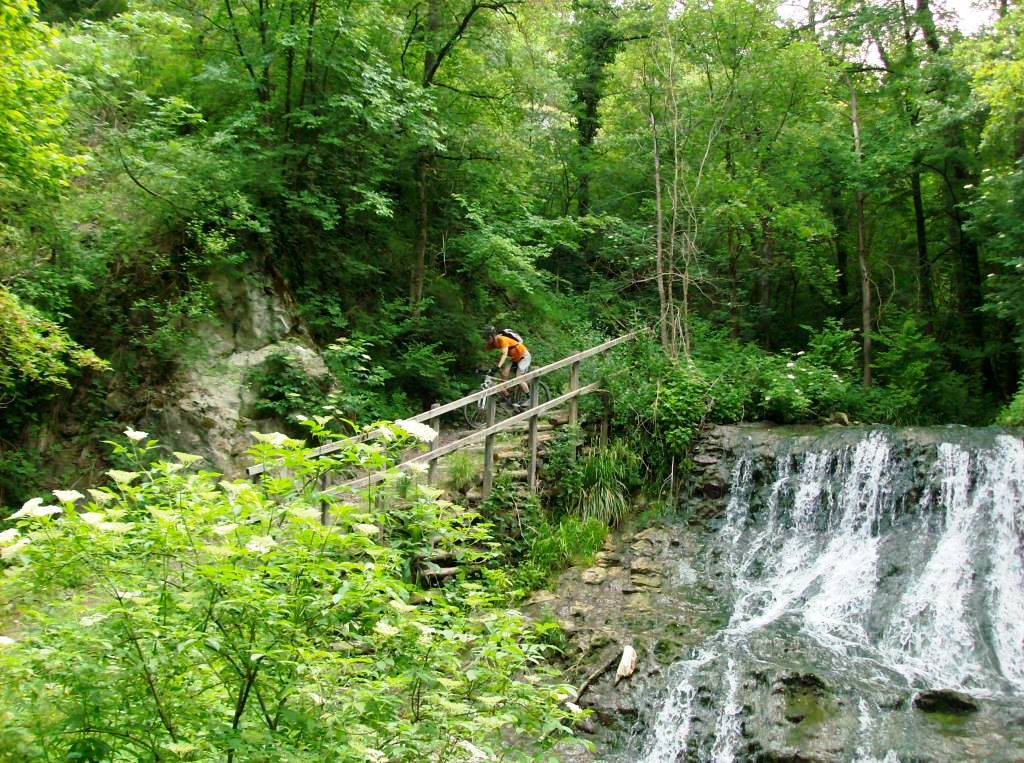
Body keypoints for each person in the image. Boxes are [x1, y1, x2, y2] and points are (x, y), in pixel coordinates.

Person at [483, 326, 531, 399]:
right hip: (514, 358)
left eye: (488, 338)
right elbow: (483, 353)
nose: (487, 340)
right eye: (486, 338)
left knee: (519, 379)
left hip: (523, 356)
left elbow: (504, 354)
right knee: (504, 374)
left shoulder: (502, 339)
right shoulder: (491, 343)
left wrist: (498, 367)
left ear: (493, 336)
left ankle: (529, 397)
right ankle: (507, 395)